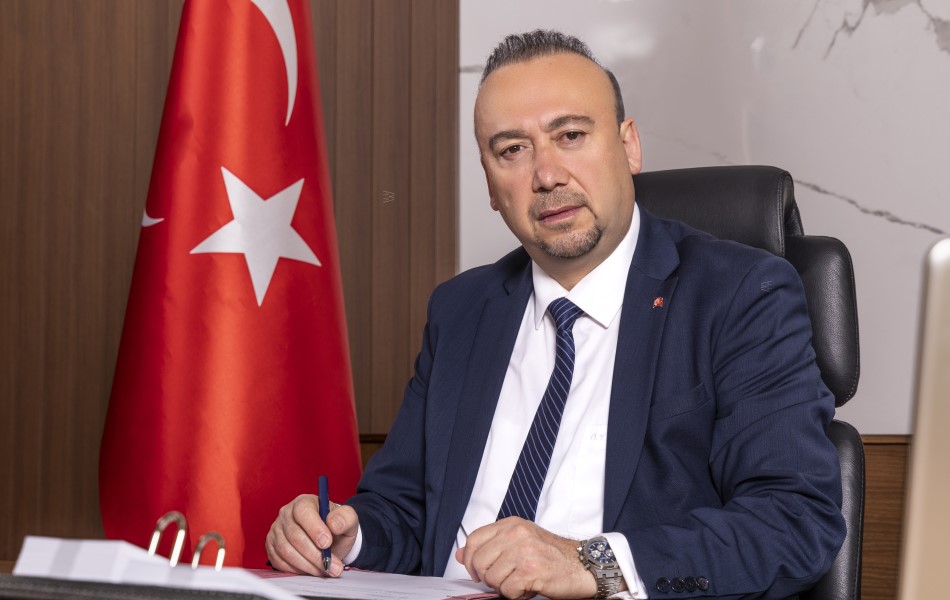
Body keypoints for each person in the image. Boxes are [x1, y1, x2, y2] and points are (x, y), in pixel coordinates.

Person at [266, 30, 845, 599]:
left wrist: (590, 564)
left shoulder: (739, 293)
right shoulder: (461, 309)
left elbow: (793, 522)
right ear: (490, 183)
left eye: (570, 135)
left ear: (629, 146)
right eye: (512, 150)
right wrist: (349, 536)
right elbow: (407, 510)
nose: (546, 175)